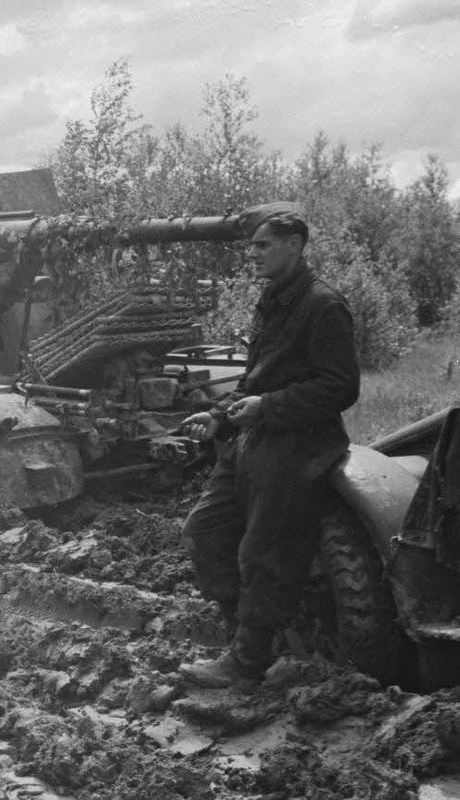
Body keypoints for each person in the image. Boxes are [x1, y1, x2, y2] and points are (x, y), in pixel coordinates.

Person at [177, 201, 360, 689]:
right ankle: (248, 636)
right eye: (250, 246)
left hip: (298, 447)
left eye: (262, 245)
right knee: (205, 531)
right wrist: (218, 417)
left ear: (294, 246)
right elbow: (257, 378)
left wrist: (268, 407)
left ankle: (247, 662)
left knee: (265, 551)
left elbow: (340, 387)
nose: (251, 255)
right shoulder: (274, 298)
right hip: (254, 440)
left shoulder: (323, 304)